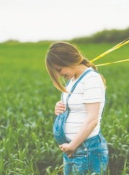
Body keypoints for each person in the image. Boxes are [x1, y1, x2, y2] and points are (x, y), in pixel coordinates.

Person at [45, 42, 109, 174]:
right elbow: (75, 106)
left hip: (86, 150)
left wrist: (72, 145)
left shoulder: (91, 80)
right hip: (73, 149)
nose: (59, 75)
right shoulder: (73, 80)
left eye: (59, 70)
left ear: (68, 60)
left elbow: (92, 120)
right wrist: (60, 107)